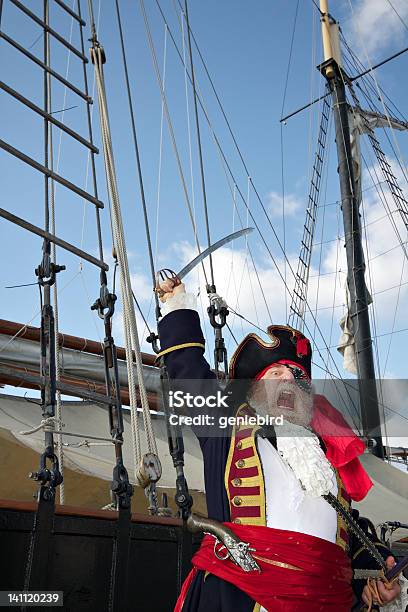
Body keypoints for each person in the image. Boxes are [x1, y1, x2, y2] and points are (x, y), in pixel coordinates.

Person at [156, 277, 403, 611]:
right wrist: (177, 304)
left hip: (329, 601)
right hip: (246, 597)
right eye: (276, 374)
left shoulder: (325, 455)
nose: (289, 378)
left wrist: (380, 565)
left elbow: (349, 529)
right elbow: (188, 372)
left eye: (297, 375)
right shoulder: (228, 427)